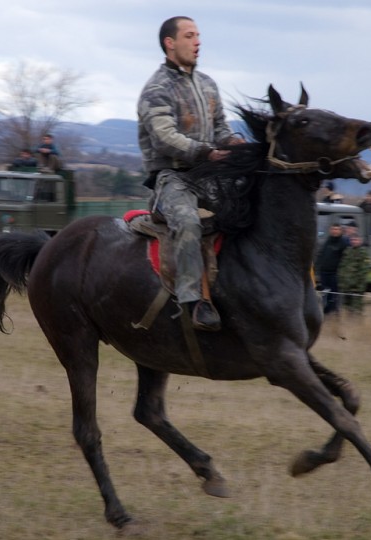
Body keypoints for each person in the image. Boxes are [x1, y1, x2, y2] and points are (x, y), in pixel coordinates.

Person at [138, 16, 244, 331]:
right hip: (172, 179)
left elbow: (222, 127)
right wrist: (205, 152)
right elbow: (164, 138)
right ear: (170, 43)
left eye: (198, 35)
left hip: (209, 176)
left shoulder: (208, 83)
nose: (197, 41)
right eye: (189, 35)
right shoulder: (155, 89)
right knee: (186, 221)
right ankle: (193, 301)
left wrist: (236, 144)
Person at [317, 223, 348, 315]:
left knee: (334, 295)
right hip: (324, 272)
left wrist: (341, 272)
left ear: (340, 231)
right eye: (333, 229)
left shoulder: (343, 243)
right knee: (325, 294)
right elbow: (321, 255)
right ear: (330, 230)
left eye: (337, 229)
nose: (335, 231)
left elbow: (345, 259)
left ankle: (335, 313)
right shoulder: (327, 241)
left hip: (335, 274)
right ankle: (326, 311)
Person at [338, 233, 370, 315]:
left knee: (356, 309)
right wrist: (342, 280)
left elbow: (364, 270)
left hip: (357, 287)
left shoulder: (363, 253)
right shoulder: (348, 251)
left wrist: (355, 283)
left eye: (355, 240)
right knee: (347, 308)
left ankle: (357, 325)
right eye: (352, 240)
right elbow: (342, 266)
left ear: (360, 241)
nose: (353, 241)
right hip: (346, 286)